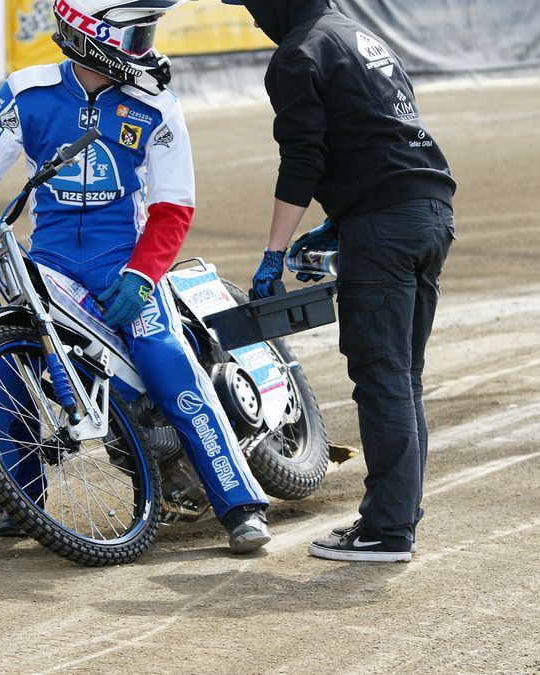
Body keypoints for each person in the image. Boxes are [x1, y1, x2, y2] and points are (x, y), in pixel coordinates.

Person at [0, 0, 272, 553]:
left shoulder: (156, 104)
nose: (146, 47)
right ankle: (19, 495)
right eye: (134, 35)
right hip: (51, 262)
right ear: (87, 33)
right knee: (10, 358)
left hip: (127, 263)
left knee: (165, 356)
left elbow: (173, 209)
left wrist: (142, 275)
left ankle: (239, 503)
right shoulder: (26, 93)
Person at [227, 0, 457, 562]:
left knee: (382, 378)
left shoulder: (296, 54)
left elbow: (301, 159)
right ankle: (398, 516)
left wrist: (273, 253)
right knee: (405, 378)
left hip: (384, 230)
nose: (255, 18)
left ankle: (387, 531)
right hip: (429, 212)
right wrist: (339, 220)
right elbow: (381, 133)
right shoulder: (358, 35)